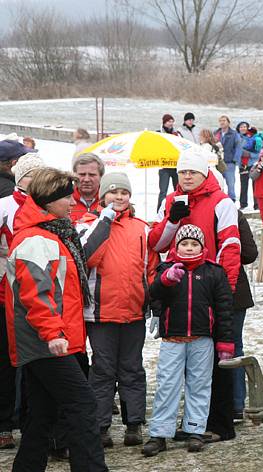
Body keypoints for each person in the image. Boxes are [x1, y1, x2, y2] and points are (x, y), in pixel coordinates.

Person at [6, 167, 109, 471]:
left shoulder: (49, 233)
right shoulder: (37, 240)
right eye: (66, 196)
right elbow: (36, 294)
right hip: (46, 341)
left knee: (43, 413)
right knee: (82, 404)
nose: (72, 202)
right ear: (49, 200)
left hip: (51, 340)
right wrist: (53, 334)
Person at [148, 149, 241, 442]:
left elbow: (230, 246)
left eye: (193, 172)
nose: (187, 177)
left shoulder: (221, 201)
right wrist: (173, 220)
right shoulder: (173, 200)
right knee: (185, 366)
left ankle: (220, 423)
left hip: (214, 285)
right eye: (183, 172)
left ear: (204, 174)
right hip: (181, 286)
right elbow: (158, 244)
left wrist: (224, 290)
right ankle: (192, 425)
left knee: (220, 357)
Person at [76, 173, 159, 449]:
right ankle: (100, 427)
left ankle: (133, 424)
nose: (119, 197)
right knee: (102, 370)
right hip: (100, 313)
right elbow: (87, 257)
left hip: (133, 311)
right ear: (102, 198)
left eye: (124, 192)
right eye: (113, 192)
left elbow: (150, 269)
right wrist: (106, 219)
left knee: (132, 369)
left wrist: (150, 302)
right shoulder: (88, 224)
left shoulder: (141, 228)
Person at [142, 224, 234, 457]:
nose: (190, 248)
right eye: (185, 243)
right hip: (173, 339)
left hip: (202, 339)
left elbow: (224, 309)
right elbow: (153, 293)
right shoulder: (166, 268)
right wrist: (165, 280)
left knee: (200, 384)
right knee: (167, 385)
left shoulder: (214, 272)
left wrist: (225, 342)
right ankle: (160, 433)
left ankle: (195, 430)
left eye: (195, 244)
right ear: (176, 246)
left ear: (202, 247)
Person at [0, 153, 45, 449]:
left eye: (39, 174)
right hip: (7, 289)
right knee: (5, 360)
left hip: (41, 290)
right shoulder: (4, 205)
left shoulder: (49, 205)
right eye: (29, 175)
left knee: (38, 360)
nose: (34, 180)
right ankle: (4, 424)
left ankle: (35, 422)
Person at [230, 211, 258, 421]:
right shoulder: (233, 212)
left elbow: (250, 253)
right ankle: (236, 404)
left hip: (231, 291)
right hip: (235, 291)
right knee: (234, 347)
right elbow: (249, 252)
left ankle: (233, 403)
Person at [157, 114, 181, 213]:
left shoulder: (176, 134)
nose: (170, 123)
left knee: (178, 191)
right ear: (164, 122)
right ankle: (159, 212)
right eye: (168, 121)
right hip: (164, 167)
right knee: (163, 192)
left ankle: (178, 210)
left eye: (172, 121)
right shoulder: (159, 133)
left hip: (175, 166)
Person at [214, 115, 242, 202]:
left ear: (228, 122)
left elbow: (238, 147)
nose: (222, 122)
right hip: (218, 163)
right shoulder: (216, 133)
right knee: (218, 183)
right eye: (220, 121)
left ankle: (231, 201)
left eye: (224, 120)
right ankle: (219, 200)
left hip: (229, 163)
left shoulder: (234, 134)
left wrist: (235, 160)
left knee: (230, 184)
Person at [71, 152, 105, 222]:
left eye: (92, 175)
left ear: (101, 176)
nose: (86, 179)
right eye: (82, 174)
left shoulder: (110, 201)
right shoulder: (62, 201)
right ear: (74, 175)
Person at [236, 121, 259, 211]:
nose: (243, 128)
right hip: (242, 165)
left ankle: (256, 205)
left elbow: (258, 153)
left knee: (255, 185)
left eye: (245, 127)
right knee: (243, 185)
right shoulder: (236, 138)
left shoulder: (254, 138)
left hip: (253, 164)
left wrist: (249, 154)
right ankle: (243, 204)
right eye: (241, 127)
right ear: (238, 128)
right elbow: (236, 151)